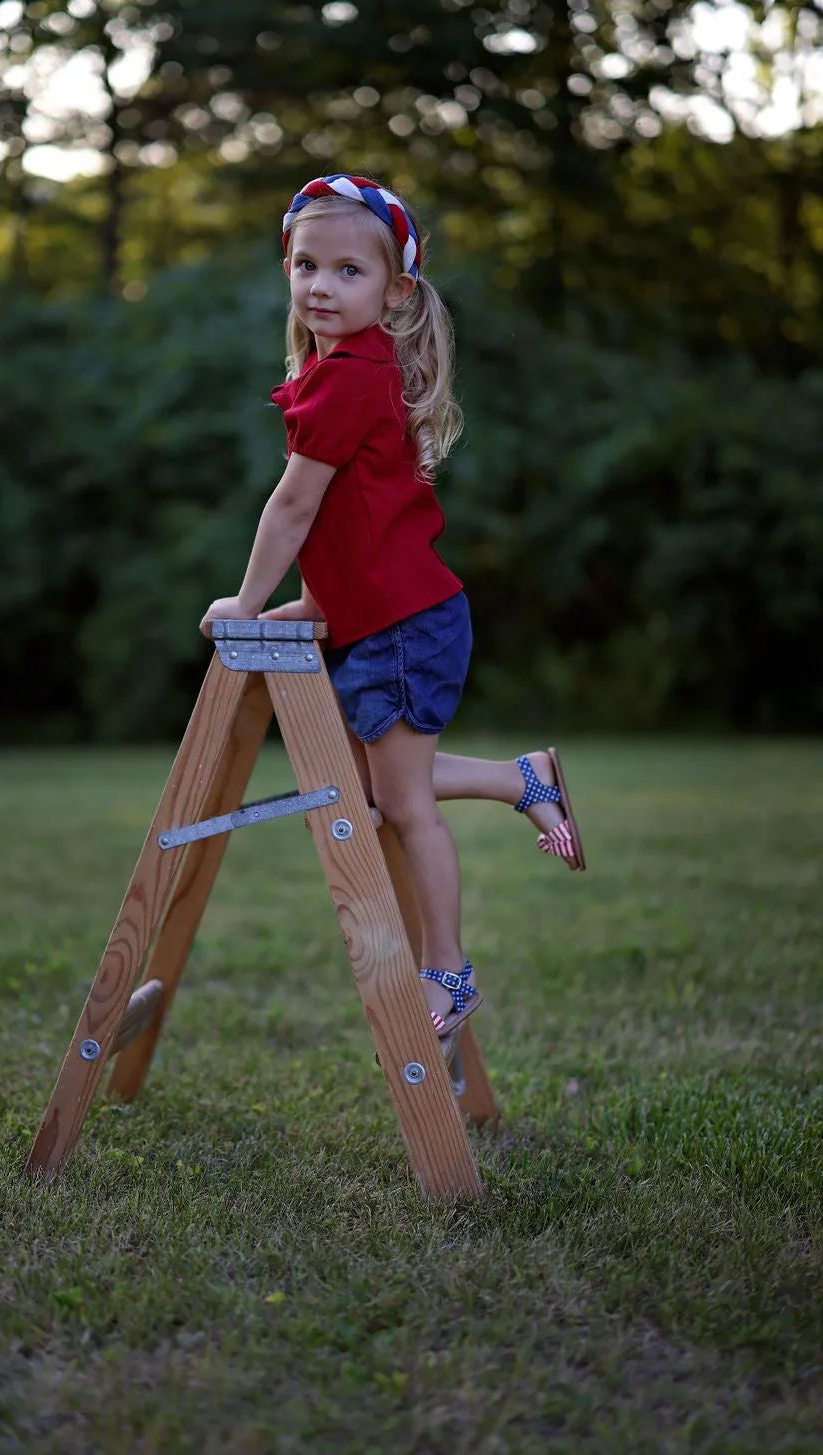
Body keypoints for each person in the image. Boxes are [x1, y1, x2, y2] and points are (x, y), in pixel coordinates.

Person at [200, 173, 584, 1041]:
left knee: (405, 808)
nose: (321, 286)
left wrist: (245, 598)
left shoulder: (349, 378)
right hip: (396, 616)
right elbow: (355, 534)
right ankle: (523, 778)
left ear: (394, 290)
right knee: (382, 787)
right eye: (306, 266)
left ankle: (449, 971)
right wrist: (298, 613)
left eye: (348, 271)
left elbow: (297, 507)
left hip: (408, 629)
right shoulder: (346, 371)